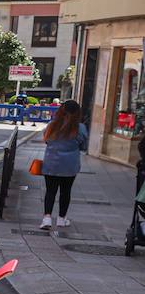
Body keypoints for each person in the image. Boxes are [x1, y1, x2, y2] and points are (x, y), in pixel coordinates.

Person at [39, 99, 88, 230]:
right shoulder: (80, 128)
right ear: (78, 113)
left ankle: (47, 218)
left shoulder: (51, 126)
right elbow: (83, 146)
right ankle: (61, 219)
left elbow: (47, 141)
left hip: (51, 163)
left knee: (50, 191)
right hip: (69, 165)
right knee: (65, 192)